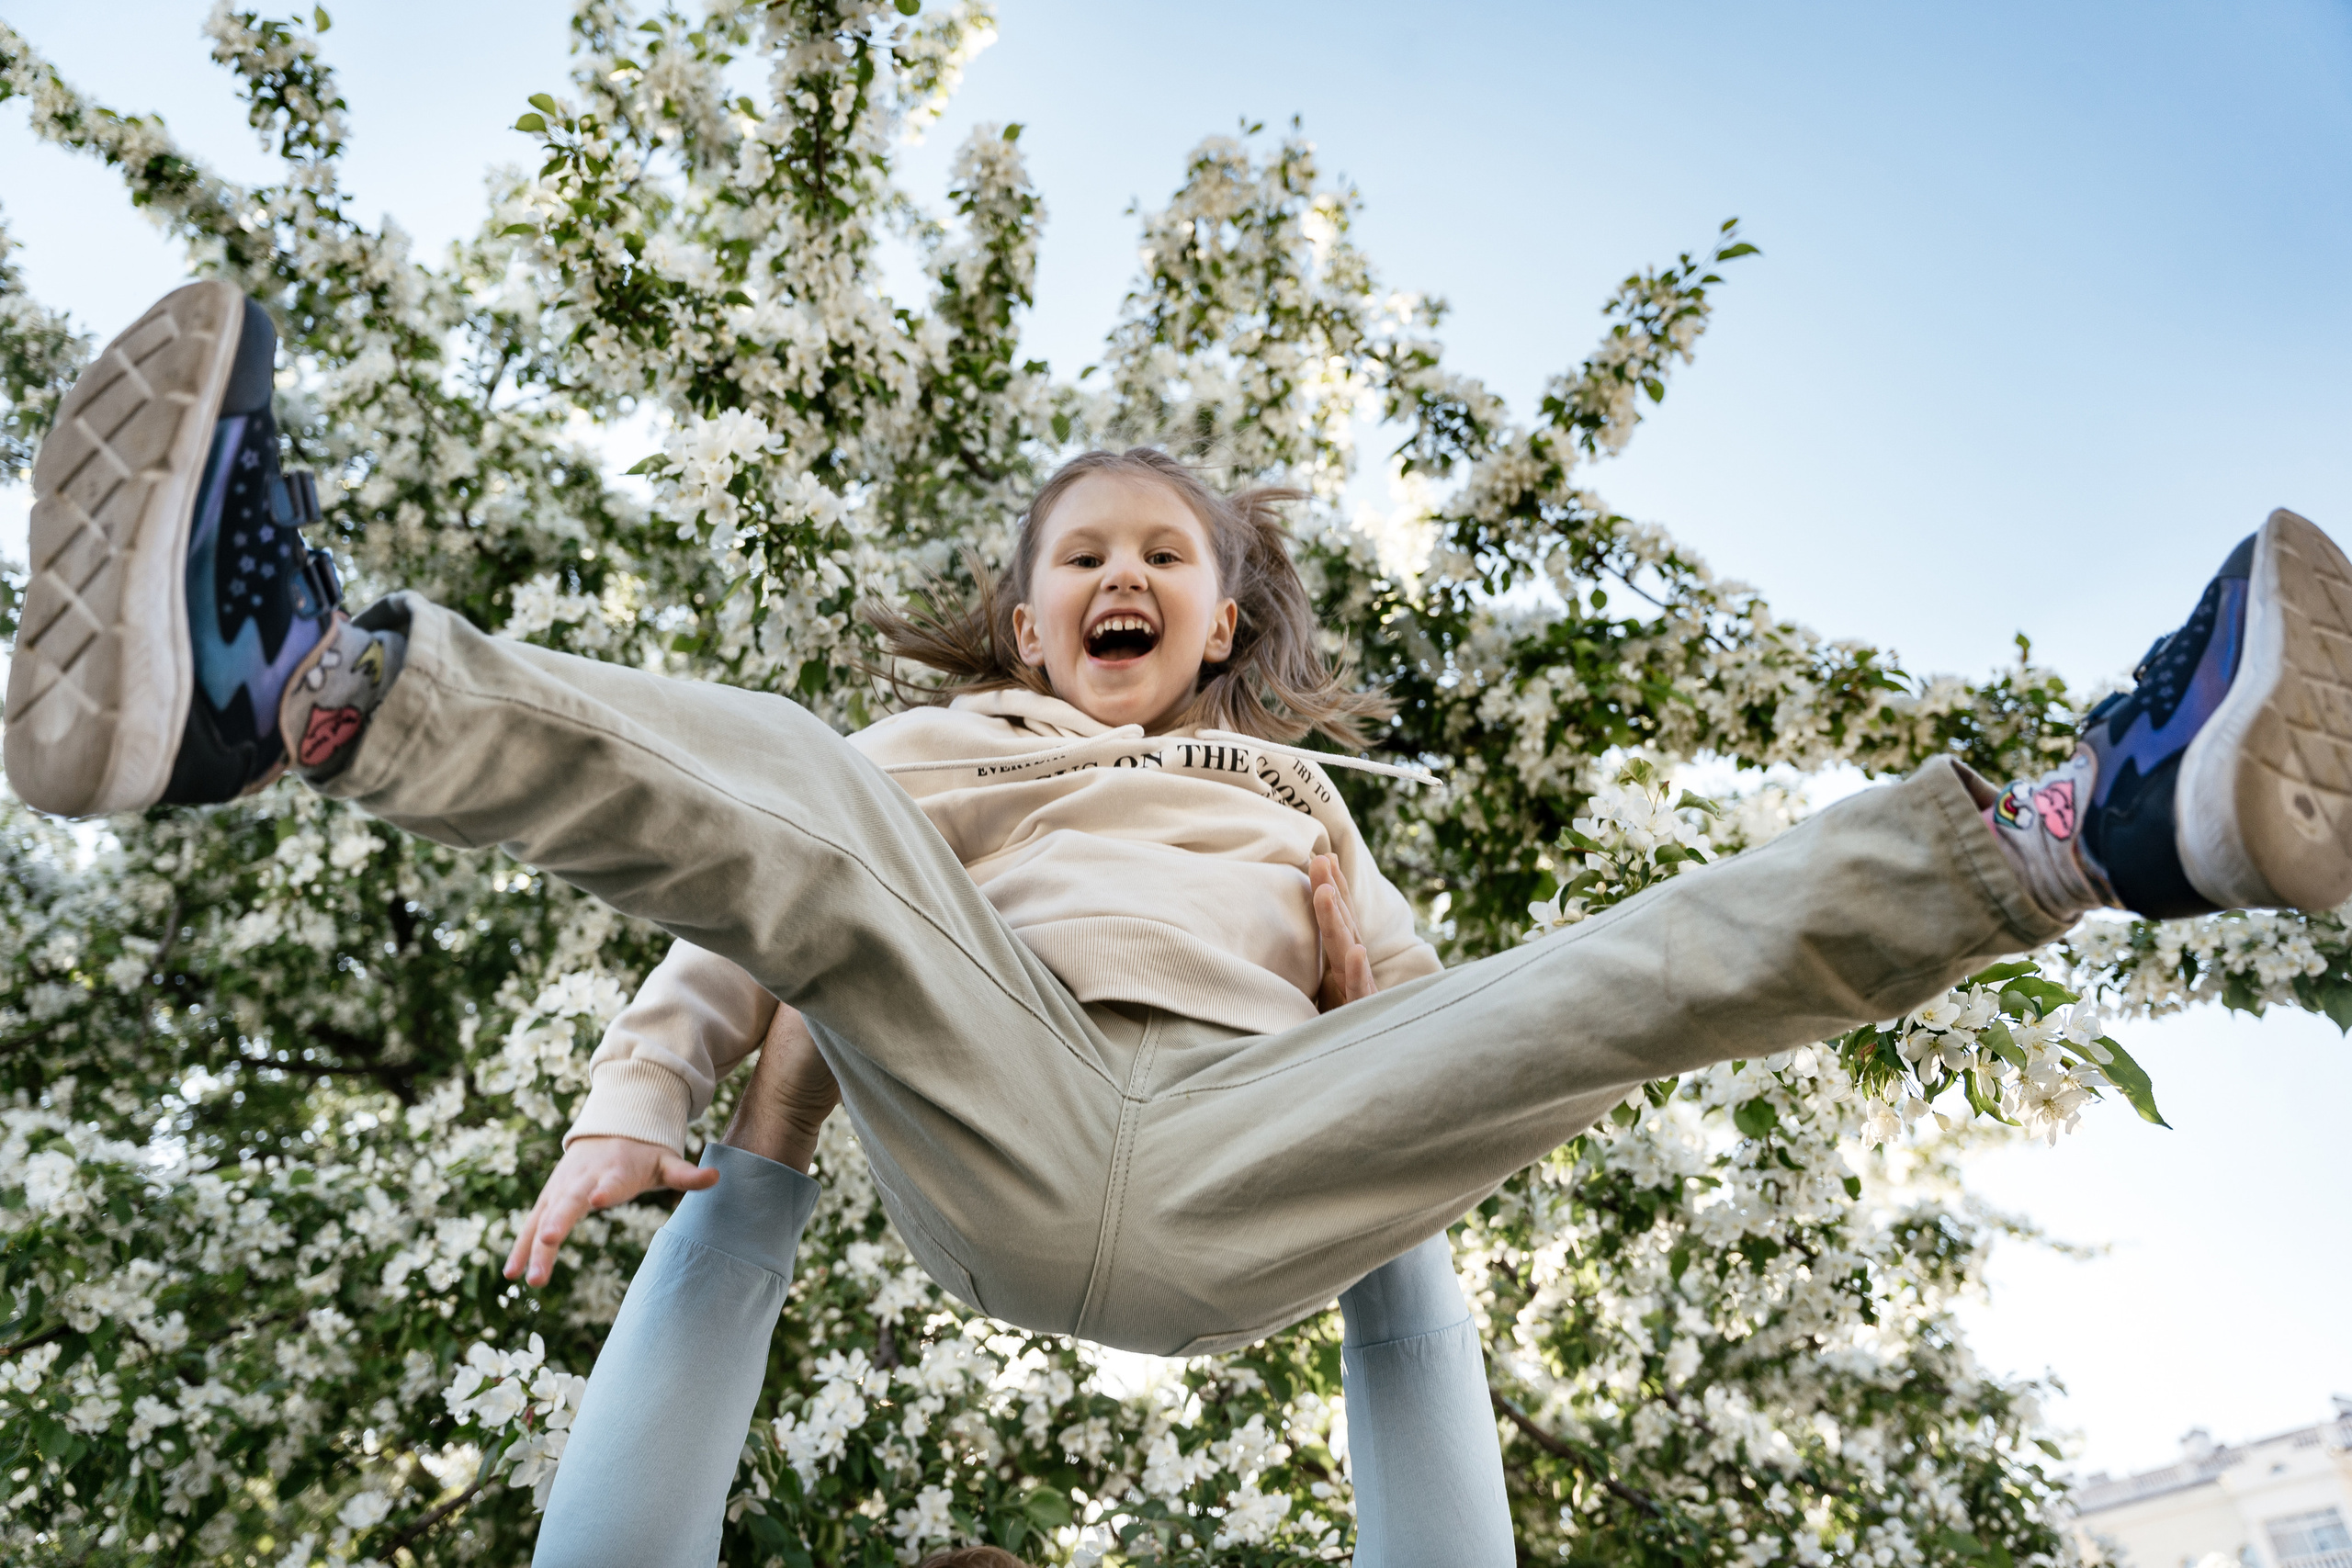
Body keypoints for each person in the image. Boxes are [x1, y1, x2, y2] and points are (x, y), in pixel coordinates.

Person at [11, 281, 2350, 1556]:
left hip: (1260, 1149)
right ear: (1025, 623)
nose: (1120, 574)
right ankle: (300, 688)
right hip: (1000, 1107)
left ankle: (2093, 827)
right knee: (808, 806)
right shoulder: (924, 767)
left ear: (1220, 620)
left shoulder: (1293, 797)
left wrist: (1398, 1025)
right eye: (1077, 556)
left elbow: (1443, 1020)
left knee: (1606, 981)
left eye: (1166, 554)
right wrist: (641, 1107)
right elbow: (734, 921)